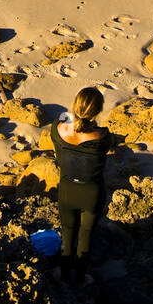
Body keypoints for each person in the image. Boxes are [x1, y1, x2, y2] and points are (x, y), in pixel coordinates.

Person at [49, 86, 111, 286]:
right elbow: (102, 139)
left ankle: (64, 274)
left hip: (67, 189)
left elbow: (63, 118)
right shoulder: (102, 137)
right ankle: (80, 277)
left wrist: (70, 117)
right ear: (98, 111)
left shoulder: (57, 129)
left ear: (75, 105)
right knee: (86, 235)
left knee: (67, 233)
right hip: (91, 192)